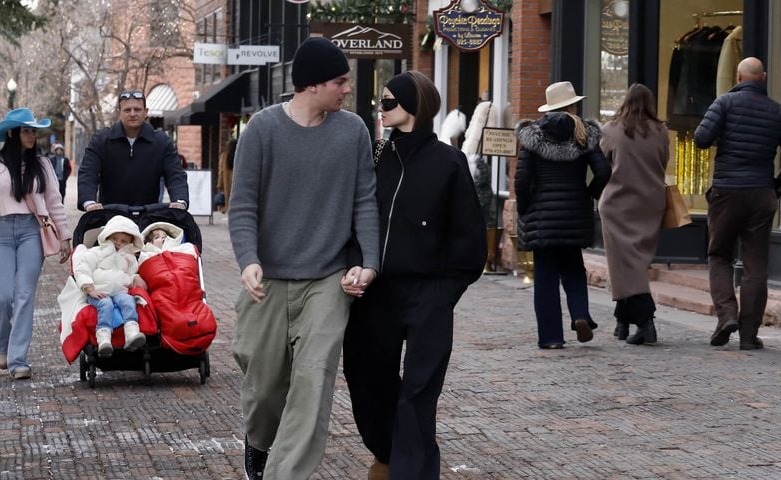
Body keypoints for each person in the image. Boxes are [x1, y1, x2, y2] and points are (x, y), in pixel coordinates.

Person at [227, 36, 380, 480]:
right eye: (340, 81)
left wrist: (368, 264)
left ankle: (283, 475)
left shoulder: (353, 131)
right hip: (268, 281)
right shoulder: (261, 129)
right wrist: (248, 260)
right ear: (312, 85)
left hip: (327, 282)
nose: (347, 89)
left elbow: (364, 203)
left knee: (313, 383)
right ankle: (258, 443)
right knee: (265, 389)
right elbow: (243, 207)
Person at [342, 71, 487, 480]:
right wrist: (356, 261)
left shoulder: (448, 162)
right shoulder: (374, 155)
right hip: (375, 294)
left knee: (418, 395)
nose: (381, 109)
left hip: (428, 293)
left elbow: (470, 239)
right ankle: (387, 456)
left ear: (413, 106)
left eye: (388, 102)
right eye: (381, 102)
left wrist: (445, 292)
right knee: (366, 382)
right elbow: (356, 219)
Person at [694, 57, 781, 350]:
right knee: (756, 265)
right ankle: (749, 335)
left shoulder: (724, 103)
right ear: (762, 78)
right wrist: (776, 182)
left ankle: (726, 316)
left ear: (737, 77)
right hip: (761, 192)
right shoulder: (778, 112)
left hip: (727, 190)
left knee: (720, 254)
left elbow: (700, 138)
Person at [0, 108, 72, 380]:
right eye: (27, 130)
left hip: (31, 232)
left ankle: (18, 359)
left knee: (24, 295)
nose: (32, 135)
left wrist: (65, 236)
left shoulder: (43, 164)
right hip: (0, 232)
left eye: (34, 131)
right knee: (3, 296)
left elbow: (54, 202)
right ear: (13, 133)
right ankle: (1, 345)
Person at [515, 81, 611, 349]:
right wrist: (589, 194)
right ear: (572, 105)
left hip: (541, 216)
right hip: (575, 213)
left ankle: (551, 338)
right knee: (573, 268)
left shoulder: (532, 136)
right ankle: (580, 315)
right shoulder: (584, 134)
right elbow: (604, 172)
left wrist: (524, 209)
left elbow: (522, 180)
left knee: (545, 277)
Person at [598, 84, 669, 346]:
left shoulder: (611, 130)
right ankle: (622, 322)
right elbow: (664, 162)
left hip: (618, 204)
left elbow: (602, 164)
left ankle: (645, 322)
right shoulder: (661, 132)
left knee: (628, 266)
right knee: (631, 264)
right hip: (650, 203)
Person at [78, 89, 189, 211]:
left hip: (149, 215)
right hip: (110, 216)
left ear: (146, 112)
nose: (132, 114)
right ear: (119, 112)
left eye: (137, 109)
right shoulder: (101, 140)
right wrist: (89, 202)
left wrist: (180, 200)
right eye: (127, 110)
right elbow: (88, 173)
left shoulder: (161, 142)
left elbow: (175, 175)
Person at [71, 215, 145, 357]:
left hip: (119, 291)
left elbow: (129, 275)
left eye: (123, 241)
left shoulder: (129, 259)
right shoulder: (97, 252)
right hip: (99, 291)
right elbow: (83, 268)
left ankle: (131, 332)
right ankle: (104, 337)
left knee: (129, 301)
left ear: (130, 244)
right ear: (107, 237)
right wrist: (89, 288)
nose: (118, 243)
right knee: (106, 305)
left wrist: (134, 279)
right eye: (114, 239)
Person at [215, 138, 236, 214]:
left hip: (226, 183)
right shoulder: (240, 156)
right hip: (236, 182)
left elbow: (221, 172)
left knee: (228, 200)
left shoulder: (224, 156)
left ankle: (228, 209)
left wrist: (219, 185)